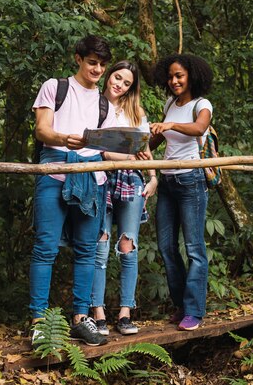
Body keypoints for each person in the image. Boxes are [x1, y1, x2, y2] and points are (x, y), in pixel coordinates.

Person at [30, 35, 117, 347]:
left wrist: (137, 152)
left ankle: (81, 318)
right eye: (92, 62)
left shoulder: (105, 102)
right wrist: (65, 139)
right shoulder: (56, 86)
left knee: (86, 250)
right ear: (78, 58)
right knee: (46, 247)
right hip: (54, 169)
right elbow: (41, 129)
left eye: (102, 65)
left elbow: (108, 147)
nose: (97, 69)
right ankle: (39, 321)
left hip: (92, 175)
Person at [144, 53, 214, 331]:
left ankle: (195, 312)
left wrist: (171, 124)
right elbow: (158, 138)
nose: (174, 81)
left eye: (179, 76)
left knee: (194, 249)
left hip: (191, 181)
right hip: (168, 182)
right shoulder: (170, 103)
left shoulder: (201, 104)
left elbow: (200, 128)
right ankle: (181, 305)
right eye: (171, 76)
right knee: (166, 246)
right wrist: (141, 136)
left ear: (191, 77)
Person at [90, 60, 158, 336]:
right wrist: (124, 156)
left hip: (132, 179)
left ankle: (125, 313)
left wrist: (153, 177)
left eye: (126, 83)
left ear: (132, 87)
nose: (119, 85)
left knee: (128, 245)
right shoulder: (94, 104)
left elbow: (144, 151)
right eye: (117, 78)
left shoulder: (135, 111)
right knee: (101, 243)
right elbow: (99, 150)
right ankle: (98, 312)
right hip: (103, 178)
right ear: (109, 76)